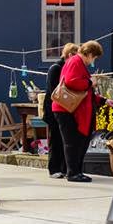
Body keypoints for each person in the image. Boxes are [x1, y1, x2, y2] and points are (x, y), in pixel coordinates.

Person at [52, 41, 113, 183]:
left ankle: (76, 171)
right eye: (94, 57)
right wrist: (90, 82)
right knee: (73, 142)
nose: (93, 61)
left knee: (79, 142)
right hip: (67, 109)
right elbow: (71, 82)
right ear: (89, 54)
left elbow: (85, 93)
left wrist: (104, 101)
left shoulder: (76, 62)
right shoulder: (76, 62)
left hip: (71, 108)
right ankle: (73, 173)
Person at [44, 43, 79, 179]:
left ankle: (64, 168)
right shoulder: (56, 68)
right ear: (69, 55)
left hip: (65, 109)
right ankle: (54, 169)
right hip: (53, 109)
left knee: (64, 139)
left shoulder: (68, 68)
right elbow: (54, 91)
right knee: (55, 139)